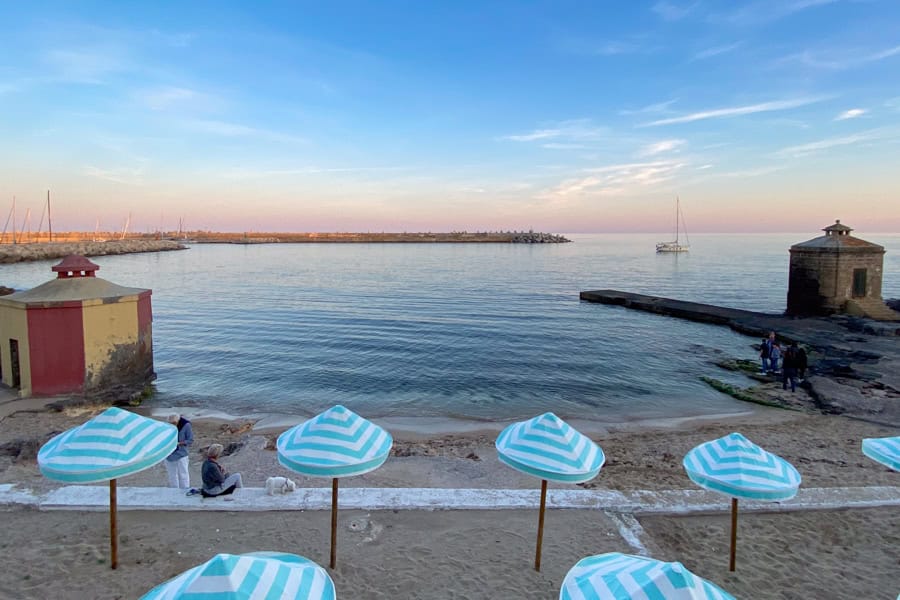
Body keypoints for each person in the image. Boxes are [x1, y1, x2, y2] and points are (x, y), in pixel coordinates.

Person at [164, 414, 193, 489]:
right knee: (172, 475)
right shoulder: (166, 426)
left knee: (183, 474)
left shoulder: (186, 425)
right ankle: (174, 490)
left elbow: (190, 440)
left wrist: (180, 443)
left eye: (174, 423)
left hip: (181, 453)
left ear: (178, 421)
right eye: (171, 424)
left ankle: (185, 489)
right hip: (169, 454)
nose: (173, 425)